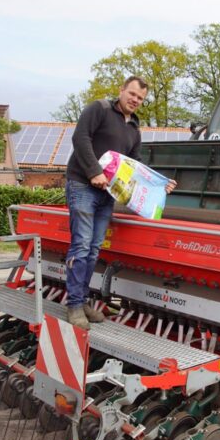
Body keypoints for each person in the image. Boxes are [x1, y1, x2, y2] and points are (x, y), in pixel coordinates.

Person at [64, 76, 176, 329]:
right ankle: (73, 305)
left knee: (93, 249)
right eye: (132, 94)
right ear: (122, 90)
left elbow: (135, 168)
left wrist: (160, 184)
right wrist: (94, 171)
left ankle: (81, 301)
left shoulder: (134, 130)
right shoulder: (99, 109)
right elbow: (80, 139)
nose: (135, 100)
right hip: (82, 185)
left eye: (140, 98)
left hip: (107, 194)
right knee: (81, 246)